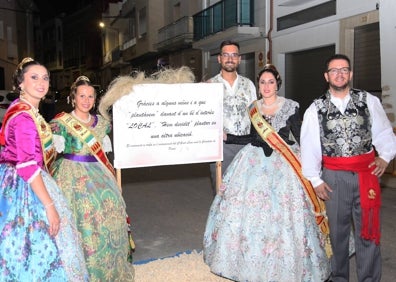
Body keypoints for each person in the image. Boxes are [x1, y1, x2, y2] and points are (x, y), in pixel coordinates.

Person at [204, 64, 331, 281]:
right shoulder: (253, 108)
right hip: (252, 162)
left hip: (285, 164)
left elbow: (300, 136)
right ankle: (248, 262)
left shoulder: (290, 106)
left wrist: (314, 164)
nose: (266, 86)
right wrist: (229, 138)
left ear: (277, 84)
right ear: (258, 85)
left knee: (287, 214)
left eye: (270, 82)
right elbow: (252, 138)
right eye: (262, 82)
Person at [301, 54, 396, 282]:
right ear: (327, 76)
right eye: (334, 70)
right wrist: (315, 180)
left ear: (351, 74)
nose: (339, 74)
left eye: (344, 69)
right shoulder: (315, 108)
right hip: (333, 179)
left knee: (368, 232)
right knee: (337, 235)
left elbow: (383, 132)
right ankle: (339, 278)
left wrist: (385, 156)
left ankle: (369, 279)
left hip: (366, 175)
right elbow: (310, 145)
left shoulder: (368, 101)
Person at [0, 57, 88, 281]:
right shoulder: (24, 117)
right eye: (34, 77)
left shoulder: (28, 111)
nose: (41, 82)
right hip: (24, 187)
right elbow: (28, 166)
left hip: (23, 179)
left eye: (45, 78)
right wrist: (49, 206)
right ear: (20, 83)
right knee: (37, 249)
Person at [49, 76, 135, 281]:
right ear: (73, 98)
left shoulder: (102, 124)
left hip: (98, 174)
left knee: (109, 211)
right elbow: (49, 154)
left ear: (95, 100)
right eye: (82, 96)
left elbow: (106, 156)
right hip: (70, 177)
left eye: (90, 96)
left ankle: (107, 267)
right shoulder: (60, 123)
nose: (86, 100)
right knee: (81, 221)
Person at [207, 40, 257, 194]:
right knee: (222, 193)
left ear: (239, 59)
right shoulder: (209, 85)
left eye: (234, 55)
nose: (230, 59)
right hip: (221, 148)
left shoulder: (249, 84)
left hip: (246, 145)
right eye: (226, 55)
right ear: (219, 59)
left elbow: (256, 115)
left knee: (246, 191)